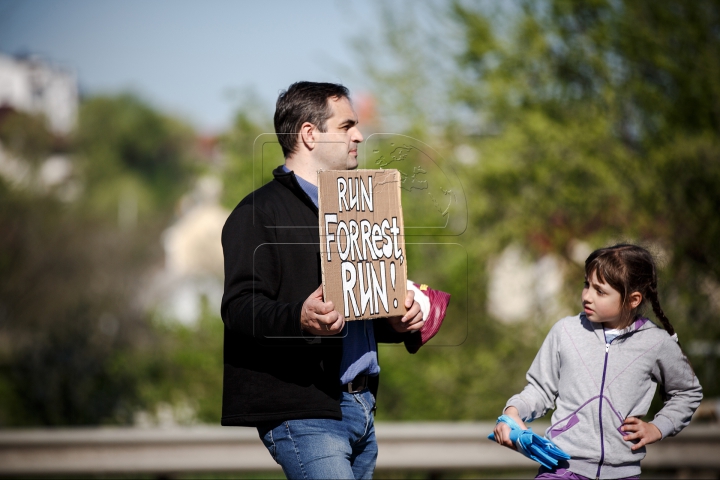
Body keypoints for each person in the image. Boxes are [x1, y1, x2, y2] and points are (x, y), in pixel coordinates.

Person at [220, 81, 425, 479]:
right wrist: (298, 316)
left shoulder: (358, 206)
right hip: (306, 411)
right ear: (309, 134)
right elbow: (239, 307)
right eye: (347, 125)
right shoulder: (258, 211)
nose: (359, 136)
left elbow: (353, 309)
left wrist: (396, 322)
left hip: (362, 404)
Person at [492, 244, 703, 479]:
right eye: (587, 285)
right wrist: (513, 411)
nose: (587, 296)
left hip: (623, 474)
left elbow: (688, 393)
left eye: (600, 291)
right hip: (562, 470)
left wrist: (658, 427)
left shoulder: (656, 342)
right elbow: (540, 390)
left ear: (633, 300)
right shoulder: (565, 331)